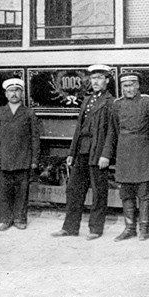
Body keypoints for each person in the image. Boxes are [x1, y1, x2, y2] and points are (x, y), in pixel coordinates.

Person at [53, 64, 114, 239]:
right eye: (93, 78)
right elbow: (79, 128)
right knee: (73, 189)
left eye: (100, 78)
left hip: (98, 151)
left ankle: (95, 229)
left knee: (98, 191)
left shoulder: (110, 102)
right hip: (82, 150)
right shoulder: (87, 100)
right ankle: (70, 228)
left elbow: (111, 132)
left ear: (107, 81)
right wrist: (72, 152)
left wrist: (106, 154)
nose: (95, 82)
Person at [100, 70, 149, 241]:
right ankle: (129, 228)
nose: (129, 89)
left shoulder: (147, 102)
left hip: (143, 151)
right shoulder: (117, 105)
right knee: (126, 192)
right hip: (124, 152)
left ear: (138, 85)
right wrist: (106, 155)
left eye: (132, 85)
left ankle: (144, 228)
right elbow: (113, 132)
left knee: (144, 192)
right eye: (125, 86)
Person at [0, 78, 41, 231]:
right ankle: (6, 219)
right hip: (4, 160)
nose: (14, 94)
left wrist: (34, 160)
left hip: (23, 159)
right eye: (11, 91)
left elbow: (35, 138)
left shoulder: (29, 113)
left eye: (17, 91)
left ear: (22, 93)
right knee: (5, 192)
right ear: (6, 94)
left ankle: (19, 218)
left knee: (21, 192)